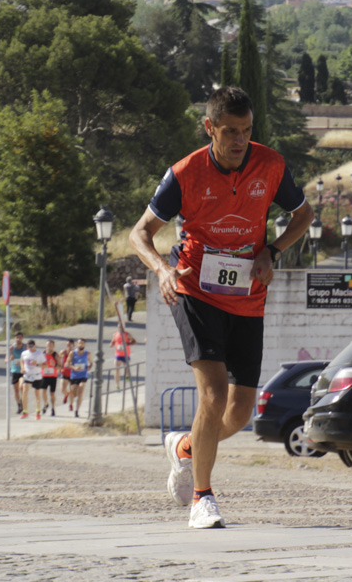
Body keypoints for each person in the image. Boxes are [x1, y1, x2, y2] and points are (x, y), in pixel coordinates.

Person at [129, 86, 313, 529]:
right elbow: (140, 233)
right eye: (230, 131)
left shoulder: (270, 165)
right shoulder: (185, 173)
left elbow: (303, 216)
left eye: (246, 131)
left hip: (247, 294)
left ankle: (185, 448)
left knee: (238, 412)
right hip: (194, 287)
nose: (238, 141)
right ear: (209, 127)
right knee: (212, 393)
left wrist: (273, 248)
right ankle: (202, 498)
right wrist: (161, 270)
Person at [66, 338, 91, 418]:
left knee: (80, 392)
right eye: (79, 343)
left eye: (82, 343)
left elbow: (91, 363)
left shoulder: (87, 353)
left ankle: (77, 411)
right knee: (73, 393)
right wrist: (74, 367)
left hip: (83, 375)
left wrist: (89, 367)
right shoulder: (72, 353)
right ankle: (71, 403)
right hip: (74, 375)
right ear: (77, 344)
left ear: (85, 344)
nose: (81, 345)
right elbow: (67, 363)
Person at [20, 339, 44, 420]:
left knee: (36, 393)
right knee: (24, 392)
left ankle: (38, 411)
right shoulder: (24, 353)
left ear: (35, 346)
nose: (30, 348)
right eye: (29, 346)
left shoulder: (39, 354)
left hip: (37, 375)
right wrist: (22, 368)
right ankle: (25, 411)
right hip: (28, 375)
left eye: (32, 346)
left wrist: (37, 364)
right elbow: (22, 361)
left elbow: (45, 365)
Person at [6, 332, 25, 414]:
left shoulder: (25, 347)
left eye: (20, 337)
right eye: (17, 337)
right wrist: (10, 358)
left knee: (22, 388)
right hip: (14, 371)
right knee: (16, 390)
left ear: (22, 338)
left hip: (23, 371)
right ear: (15, 338)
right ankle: (19, 405)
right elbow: (6, 359)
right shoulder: (11, 348)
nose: (18, 339)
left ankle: (23, 403)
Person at [40, 340, 59, 417]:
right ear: (46, 345)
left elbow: (60, 366)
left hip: (53, 376)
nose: (49, 347)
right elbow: (38, 364)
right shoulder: (42, 354)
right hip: (44, 375)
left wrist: (54, 365)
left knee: (52, 393)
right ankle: (46, 404)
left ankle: (53, 408)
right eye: (48, 345)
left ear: (53, 346)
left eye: (51, 345)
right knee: (43, 392)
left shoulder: (55, 355)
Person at [59, 339, 74, 405]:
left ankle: (71, 404)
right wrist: (59, 368)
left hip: (73, 374)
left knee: (72, 390)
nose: (69, 346)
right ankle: (67, 394)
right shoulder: (63, 352)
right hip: (64, 373)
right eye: (68, 345)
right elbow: (58, 360)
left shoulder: (75, 353)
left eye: (70, 345)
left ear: (73, 346)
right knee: (62, 389)